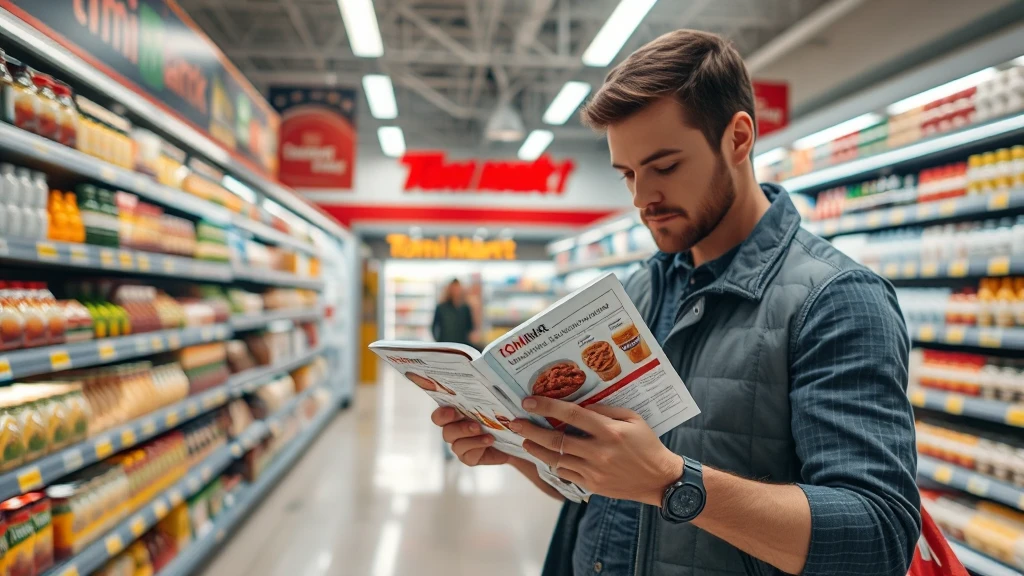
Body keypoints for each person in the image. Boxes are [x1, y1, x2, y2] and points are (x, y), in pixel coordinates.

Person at [431, 29, 921, 576]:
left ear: (738, 139)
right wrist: (520, 448)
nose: (642, 197)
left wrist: (672, 481)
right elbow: (607, 490)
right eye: (628, 174)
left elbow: (879, 537)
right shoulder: (636, 292)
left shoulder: (836, 300)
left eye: (664, 167)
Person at [431, 279, 477, 347]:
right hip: (445, 345)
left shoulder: (465, 308)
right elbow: (434, 326)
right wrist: (438, 342)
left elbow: (470, 327)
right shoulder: (441, 308)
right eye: (454, 288)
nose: (456, 291)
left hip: (462, 346)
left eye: (457, 288)